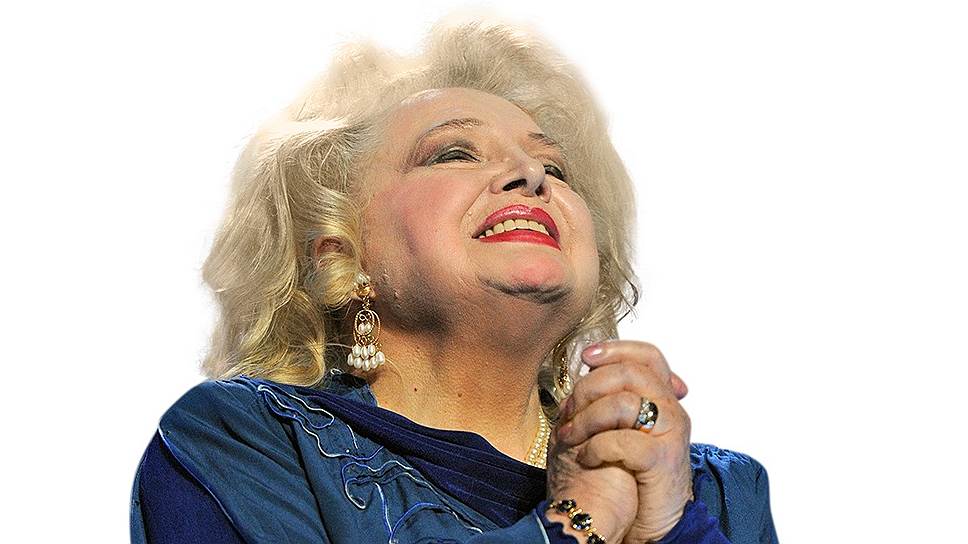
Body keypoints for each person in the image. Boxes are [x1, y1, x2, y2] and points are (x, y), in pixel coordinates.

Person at [130, 15, 778, 544]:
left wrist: (676, 530)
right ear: (338, 254)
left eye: (555, 167)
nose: (532, 176)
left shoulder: (719, 493)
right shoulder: (239, 441)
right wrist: (576, 522)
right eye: (454, 153)